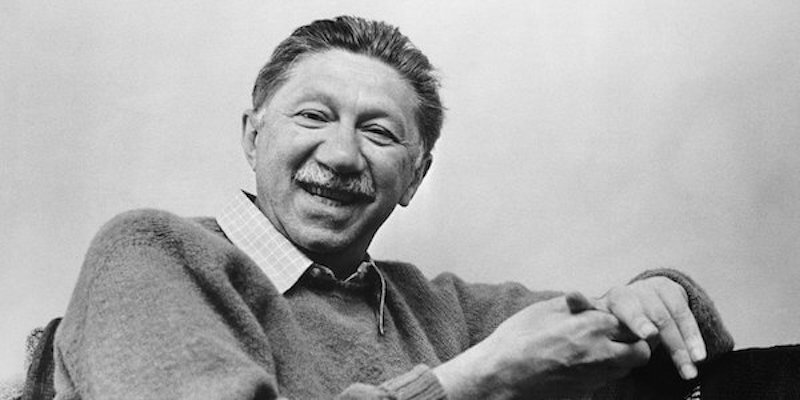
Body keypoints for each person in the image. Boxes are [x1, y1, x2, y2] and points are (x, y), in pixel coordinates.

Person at [52, 15, 733, 400]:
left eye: (379, 133)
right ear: (253, 137)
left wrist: (660, 294)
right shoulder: (152, 253)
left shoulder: (441, 309)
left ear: (414, 177)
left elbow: (635, 337)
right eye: (313, 116)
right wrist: (476, 379)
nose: (342, 154)